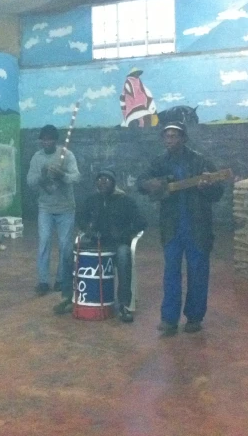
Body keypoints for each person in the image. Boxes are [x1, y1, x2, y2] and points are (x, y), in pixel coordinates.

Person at [138, 121, 224, 336]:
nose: (170, 140)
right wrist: (151, 185)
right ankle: (169, 319)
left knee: (198, 272)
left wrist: (208, 187)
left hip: (197, 226)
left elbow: (218, 193)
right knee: (171, 273)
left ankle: (194, 318)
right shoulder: (159, 163)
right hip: (171, 227)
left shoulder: (201, 161)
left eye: (174, 136)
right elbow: (140, 182)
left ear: (184, 138)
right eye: (166, 136)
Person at [64, 168, 146, 321]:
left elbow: (141, 222)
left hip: (118, 244)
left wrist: (124, 234)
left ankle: (124, 304)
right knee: (69, 251)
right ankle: (69, 297)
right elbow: (80, 218)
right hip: (96, 242)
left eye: (106, 180)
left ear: (113, 183)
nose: (103, 183)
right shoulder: (91, 200)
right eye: (100, 180)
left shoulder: (125, 201)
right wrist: (87, 229)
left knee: (123, 256)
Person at [26, 124, 81, 297]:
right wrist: (42, 176)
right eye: (44, 139)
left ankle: (62, 279)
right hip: (46, 208)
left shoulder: (66, 155)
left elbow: (77, 176)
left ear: (55, 141)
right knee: (44, 242)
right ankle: (43, 281)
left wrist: (62, 175)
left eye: (50, 139)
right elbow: (30, 181)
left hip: (66, 208)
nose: (47, 142)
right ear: (40, 141)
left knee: (65, 246)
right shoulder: (37, 157)